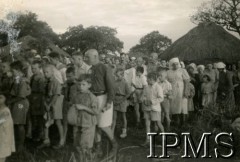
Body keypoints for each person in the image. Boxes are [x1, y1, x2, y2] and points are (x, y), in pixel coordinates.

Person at [84, 49, 117, 157]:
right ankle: (98, 148)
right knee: (96, 124)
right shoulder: (90, 69)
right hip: (93, 98)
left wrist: (109, 102)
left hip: (103, 98)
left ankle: (114, 146)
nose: (85, 59)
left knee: (103, 125)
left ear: (95, 56)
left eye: (87, 57)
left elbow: (111, 86)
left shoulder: (105, 68)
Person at [70, 74, 99, 160]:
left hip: (88, 124)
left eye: (83, 85)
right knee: (77, 144)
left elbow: (95, 112)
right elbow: (73, 106)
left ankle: (87, 159)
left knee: (85, 145)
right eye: (79, 84)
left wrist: (84, 107)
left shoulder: (92, 97)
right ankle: (80, 159)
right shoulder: (77, 95)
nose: (81, 87)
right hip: (77, 123)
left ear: (89, 85)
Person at [39, 65, 64, 149]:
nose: (45, 74)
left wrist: (49, 105)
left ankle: (61, 141)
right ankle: (46, 140)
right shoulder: (45, 82)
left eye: (47, 72)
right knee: (45, 121)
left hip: (55, 104)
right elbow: (43, 94)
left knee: (57, 121)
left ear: (52, 72)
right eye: (44, 72)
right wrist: (46, 104)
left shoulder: (55, 82)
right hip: (47, 103)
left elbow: (56, 95)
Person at [9, 61, 31, 151]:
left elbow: (21, 95)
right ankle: (17, 142)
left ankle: (21, 144)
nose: (12, 73)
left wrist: (10, 101)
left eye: (13, 71)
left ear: (18, 71)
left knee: (20, 124)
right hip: (17, 102)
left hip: (21, 103)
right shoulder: (17, 80)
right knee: (16, 123)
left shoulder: (22, 81)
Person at [141, 72, 164, 146]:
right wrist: (144, 100)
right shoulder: (146, 87)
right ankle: (147, 140)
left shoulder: (158, 87)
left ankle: (164, 138)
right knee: (147, 124)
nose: (147, 80)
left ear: (152, 79)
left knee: (158, 123)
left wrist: (152, 102)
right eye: (147, 79)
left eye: (148, 79)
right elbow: (143, 95)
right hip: (147, 108)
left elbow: (161, 98)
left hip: (155, 108)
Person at [167, 58, 190, 127]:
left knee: (182, 105)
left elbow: (186, 81)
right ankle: (175, 122)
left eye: (176, 64)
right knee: (173, 105)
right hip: (172, 89)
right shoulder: (168, 72)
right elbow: (166, 82)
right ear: (171, 65)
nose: (175, 65)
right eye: (173, 64)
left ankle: (184, 123)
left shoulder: (182, 70)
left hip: (181, 89)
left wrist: (186, 90)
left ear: (179, 64)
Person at [27, 61, 45, 141]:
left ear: (40, 68)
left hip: (38, 99)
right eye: (32, 68)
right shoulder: (32, 77)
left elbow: (42, 91)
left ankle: (41, 134)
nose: (33, 70)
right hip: (32, 98)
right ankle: (34, 133)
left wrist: (38, 99)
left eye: (35, 68)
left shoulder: (41, 78)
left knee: (39, 117)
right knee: (33, 116)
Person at [112, 68, 131, 138]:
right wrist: (114, 100)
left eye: (119, 75)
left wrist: (121, 100)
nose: (117, 77)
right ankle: (112, 131)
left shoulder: (125, 83)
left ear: (122, 75)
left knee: (123, 116)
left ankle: (124, 131)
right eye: (116, 75)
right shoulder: (114, 82)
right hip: (115, 100)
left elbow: (128, 93)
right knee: (114, 117)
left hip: (122, 100)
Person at [62, 66, 77, 145]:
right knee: (64, 122)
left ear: (75, 75)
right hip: (66, 103)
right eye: (67, 76)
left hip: (73, 105)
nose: (68, 78)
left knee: (74, 123)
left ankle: (75, 141)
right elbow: (63, 93)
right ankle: (63, 140)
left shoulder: (78, 84)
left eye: (70, 76)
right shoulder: (66, 83)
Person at [0, 94, 15, 162]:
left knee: (2, 152)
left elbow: (1, 120)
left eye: (1, 98)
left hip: (4, 134)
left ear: (6, 100)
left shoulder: (6, 110)